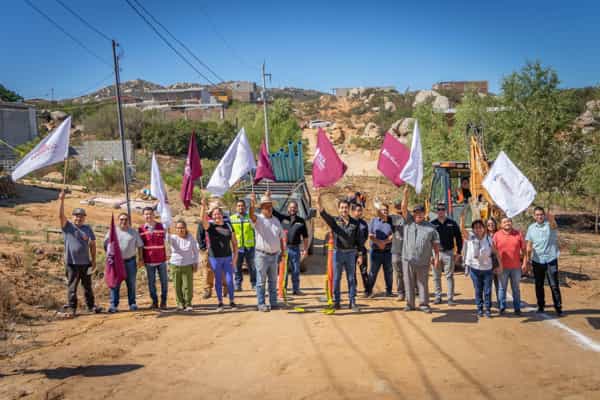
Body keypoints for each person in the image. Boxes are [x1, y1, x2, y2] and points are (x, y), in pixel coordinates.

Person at [317, 191, 362, 312]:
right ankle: (337, 302)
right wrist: (318, 200)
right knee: (337, 278)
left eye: (346, 208)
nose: (344, 210)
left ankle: (352, 302)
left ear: (349, 209)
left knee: (351, 278)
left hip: (351, 253)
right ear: (339, 209)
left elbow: (359, 241)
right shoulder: (335, 222)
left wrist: (360, 255)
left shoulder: (355, 223)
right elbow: (323, 214)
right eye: (342, 208)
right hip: (338, 253)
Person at [58, 191, 102, 316]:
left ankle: (91, 306)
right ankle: (72, 308)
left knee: (87, 286)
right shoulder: (68, 227)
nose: (79, 218)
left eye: (81, 216)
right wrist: (61, 200)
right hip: (72, 263)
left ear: (84, 217)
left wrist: (93, 261)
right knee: (72, 287)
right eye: (76, 216)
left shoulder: (87, 228)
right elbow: (60, 216)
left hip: (86, 263)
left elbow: (92, 244)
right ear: (73, 217)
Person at [249, 191, 285, 312]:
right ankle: (261, 304)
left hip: (274, 255)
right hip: (262, 255)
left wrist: (282, 251)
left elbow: (280, 237)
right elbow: (251, 215)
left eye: (270, 206)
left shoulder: (276, 220)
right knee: (261, 281)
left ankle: (273, 303)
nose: (269, 208)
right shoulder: (258, 219)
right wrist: (252, 204)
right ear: (262, 208)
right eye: (266, 206)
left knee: (273, 281)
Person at [200, 199, 238, 312]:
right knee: (217, 280)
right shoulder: (210, 226)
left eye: (219, 213)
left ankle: (232, 301)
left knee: (229, 281)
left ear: (222, 214)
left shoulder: (229, 226)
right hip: (214, 258)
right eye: (215, 214)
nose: (217, 215)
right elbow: (202, 220)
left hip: (227, 258)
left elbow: (235, 244)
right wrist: (203, 206)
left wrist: (235, 258)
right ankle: (220, 303)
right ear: (212, 215)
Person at [402, 204, 440, 313]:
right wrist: (405, 194)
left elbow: (435, 244)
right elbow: (404, 208)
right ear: (413, 213)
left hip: (423, 260)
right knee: (408, 282)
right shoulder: (408, 222)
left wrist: (436, 257)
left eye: (421, 212)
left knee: (422, 283)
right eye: (416, 212)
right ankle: (410, 304)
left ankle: (423, 304)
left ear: (425, 213)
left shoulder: (431, 228)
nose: (418, 214)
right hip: (407, 259)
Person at [461, 218, 503, 318]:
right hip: (475, 269)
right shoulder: (470, 237)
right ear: (473, 229)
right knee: (478, 290)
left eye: (480, 227)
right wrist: (462, 218)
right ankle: (480, 309)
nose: (478, 229)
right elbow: (462, 229)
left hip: (487, 270)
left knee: (487, 290)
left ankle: (487, 309)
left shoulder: (489, 239)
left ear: (484, 228)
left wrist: (500, 265)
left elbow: (496, 253)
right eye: (475, 228)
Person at [525, 207, 563, 316]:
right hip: (537, 260)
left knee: (554, 285)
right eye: (537, 215)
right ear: (534, 216)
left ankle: (558, 307)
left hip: (551, 259)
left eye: (541, 214)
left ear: (544, 215)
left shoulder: (550, 225)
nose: (539, 216)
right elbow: (529, 244)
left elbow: (554, 224)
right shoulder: (531, 228)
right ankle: (541, 306)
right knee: (539, 285)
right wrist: (527, 259)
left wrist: (551, 218)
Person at [104, 213, 143, 313]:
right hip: (116, 263)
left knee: (131, 283)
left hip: (130, 261)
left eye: (126, 219)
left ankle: (132, 303)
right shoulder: (112, 232)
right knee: (115, 284)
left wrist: (140, 259)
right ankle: (114, 305)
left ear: (129, 220)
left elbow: (140, 246)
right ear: (118, 220)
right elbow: (106, 244)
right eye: (121, 219)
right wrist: (109, 257)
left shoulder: (133, 232)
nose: (123, 221)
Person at [273, 197, 309, 295]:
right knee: (283, 270)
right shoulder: (283, 218)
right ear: (288, 209)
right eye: (291, 207)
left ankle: (296, 289)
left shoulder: (301, 221)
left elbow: (305, 237)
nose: (292, 209)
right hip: (284, 249)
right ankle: (282, 289)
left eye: (294, 207)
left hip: (295, 249)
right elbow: (273, 211)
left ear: (297, 209)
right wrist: (268, 197)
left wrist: (305, 250)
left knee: (296, 270)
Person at [493, 217, 526, 315]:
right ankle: (502, 307)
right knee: (502, 288)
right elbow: (493, 252)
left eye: (509, 221)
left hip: (516, 267)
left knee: (516, 288)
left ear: (511, 223)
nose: (507, 223)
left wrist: (524, 263)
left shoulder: (518, 234)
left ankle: (517, 308)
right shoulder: (496, 235)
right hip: (502, 267)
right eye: (504, 222)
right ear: (501, 224)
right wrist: (495, 266)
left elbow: (524, 251)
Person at [430, 202, 463, 305]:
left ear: (445, 211)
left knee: (449, 276)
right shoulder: (432, 224)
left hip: (449, 253)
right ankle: (438, 297)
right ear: (436, 211)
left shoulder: (452, 223)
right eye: (439, 209)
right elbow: (428, 240)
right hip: (436, 253)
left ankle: (450, 298)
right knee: (436, 276)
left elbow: (458, 238)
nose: (441, 211)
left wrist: (458, 252)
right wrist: (430, 255)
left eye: (442, 209)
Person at [138, 207, 169, 310]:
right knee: (151, 283)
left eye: (150, 214)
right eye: (146, 214)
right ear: (143, 216)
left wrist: (168, 253)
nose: (148, 216)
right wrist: (141, 258)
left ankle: (163, 302)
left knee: (164, 281)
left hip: (161, 260)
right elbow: (140, 246)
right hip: (149, 261)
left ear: (154, 214)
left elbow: (168, 241)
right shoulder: (141, 229)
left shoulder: (161, 226)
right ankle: (154, 302)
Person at [167, 220, 199, 312]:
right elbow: (166, 238)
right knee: (177, 286)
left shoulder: (190, 238)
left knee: (187, 286)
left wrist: (195, 262)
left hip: (188, 265)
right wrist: (167, 228)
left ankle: (188, 303)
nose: (180, 230)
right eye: (178, 228)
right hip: (175, 265)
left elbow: (195, 252)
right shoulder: (172, 238)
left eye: (182, 228)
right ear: (175, 229)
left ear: (185, 228)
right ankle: (180, 304)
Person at [367, 202, 394, 297]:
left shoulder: (391, 221)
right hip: (375, 252)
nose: (385, 211)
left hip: (388, 252)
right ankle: (369, 291)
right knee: (373, 272)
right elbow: (370, 235)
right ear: (379, 211)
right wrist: (379, 243)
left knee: (389, 272)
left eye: (386, 210)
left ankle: (389, 291)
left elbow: (393, 235)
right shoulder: (373, 221)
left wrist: (385, 242)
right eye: (383, 210)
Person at [230, 199, 256, 291]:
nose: (241, 207)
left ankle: (254, 284)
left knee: (252, 267)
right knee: (237, 267)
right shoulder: (232, 219)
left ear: (245, 207)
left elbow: (255, 230)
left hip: (249, 246)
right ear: (236, 208)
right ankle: (238, 284)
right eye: (239, 206)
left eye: (242, 206)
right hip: (237, 247)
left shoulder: (250, 217)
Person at [391, 186, 410, 301]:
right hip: (396, 250)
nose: (399, 208)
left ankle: (411, 291)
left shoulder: (408, 217)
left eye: (400, 206)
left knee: (408, 272)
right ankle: (401, 292)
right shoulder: (392, 218)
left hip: (408, 250)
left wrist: (406, 195)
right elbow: (382, 216)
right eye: (397, 206)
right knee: (398, 273)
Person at [351, 203, 369, 295]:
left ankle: (367, 290)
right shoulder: (349, 222)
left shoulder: (364, 223)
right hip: (351, 251)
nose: (359, 212)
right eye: (357, 210)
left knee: (364, 271)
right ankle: (353, 289)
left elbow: (365, 236)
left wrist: (360, 247)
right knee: (352, 271)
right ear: (353, 211)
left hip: (362, 250)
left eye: (360, 210)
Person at [486, 218, 501, 308]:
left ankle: (500, 303)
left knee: (498, 284)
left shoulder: (499, 234)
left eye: (492, 224)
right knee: (487, 285)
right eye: (488, 224)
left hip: (497, 262)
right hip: (487, 263)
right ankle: (488, 304)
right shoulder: (484, 235)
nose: (491, 226)